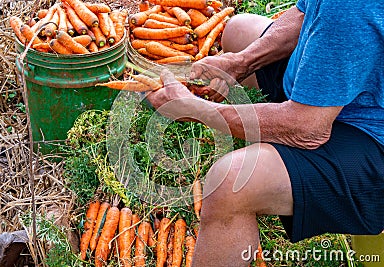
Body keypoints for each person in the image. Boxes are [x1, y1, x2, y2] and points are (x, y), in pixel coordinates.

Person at [146, 0, 384, 266]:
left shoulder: (350, 7)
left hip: (369, 135)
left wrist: (202, 111)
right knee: (238, 30)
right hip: (344, 87)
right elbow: (303, 14)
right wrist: (241, 62)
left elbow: (306, 127)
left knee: (232, 183)